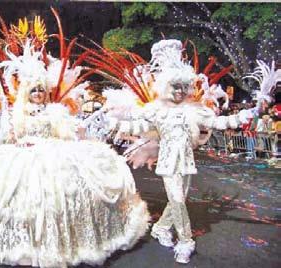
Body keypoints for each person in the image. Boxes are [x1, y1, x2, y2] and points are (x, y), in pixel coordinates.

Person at [0, 43, 149, 268]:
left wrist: (73, 133)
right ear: (26, 92)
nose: (38, 94)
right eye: (33, 90)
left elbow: (65, 135)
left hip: (52, 153)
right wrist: (12, 135)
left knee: (62, 193)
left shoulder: (55, 112)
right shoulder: (18, 114)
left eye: (41, 90)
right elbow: (10, 136)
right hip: (22, 154)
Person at [98, 40, 253, 264]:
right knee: (178, 199)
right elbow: (138, 128)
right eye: (174, 87)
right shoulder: (158, 111)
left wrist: (249, 114)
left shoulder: (195, 110)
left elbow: (221, 122)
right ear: (165, 88)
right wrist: (113, 124)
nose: (179, 91)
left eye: (183, 87)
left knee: (177, 201)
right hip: (168, 163)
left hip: (187, 162)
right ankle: (185, 241)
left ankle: (160, 228)